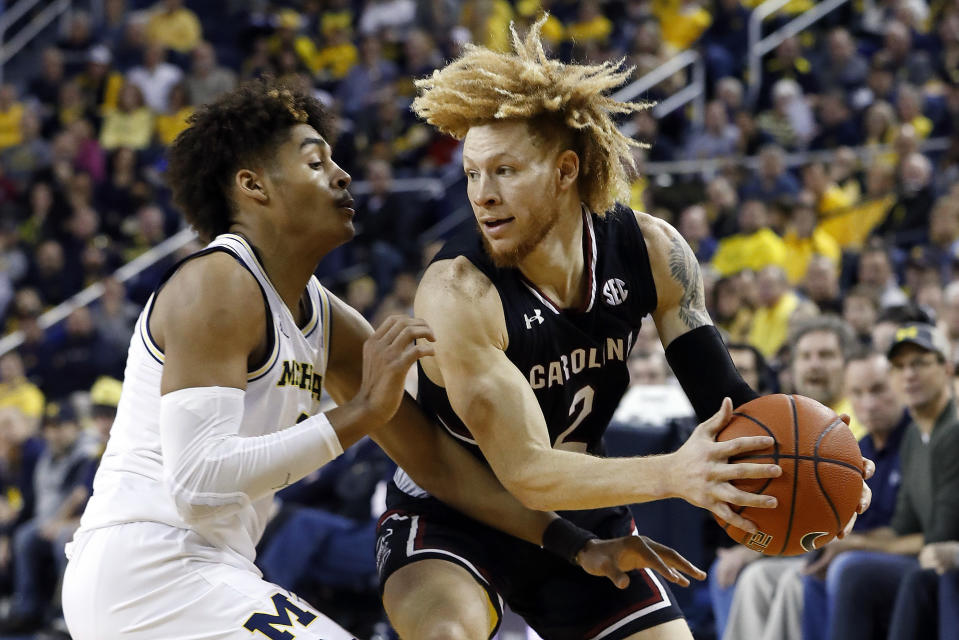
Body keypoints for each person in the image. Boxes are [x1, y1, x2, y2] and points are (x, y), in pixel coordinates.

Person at [59, 80, 701, 640]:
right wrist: (361, 412)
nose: (341, 174)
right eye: (315, 163)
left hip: (209, 571)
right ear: (253, 187)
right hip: (149, 569)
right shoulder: (218, 284)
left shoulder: (328, 319)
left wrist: (573, 544)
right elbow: (198, 487)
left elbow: (439, 467)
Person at [377, 19, 872, 640]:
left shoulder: (654, 251)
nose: (482, 195)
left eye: (505, 171)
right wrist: (675, 474)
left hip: (582, 509)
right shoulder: (457, 292)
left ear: (564, 170)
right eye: (472, 174)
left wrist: (821, 466)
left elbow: (731, 406)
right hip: (452, 510)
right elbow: (526, 471)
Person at [806, 323, 959, 640]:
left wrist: (857, 543)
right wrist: (838, 542)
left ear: (946, 368)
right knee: (828, 567)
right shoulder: (915, 437)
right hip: (930, 561)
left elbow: (935, 540)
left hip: (947, 562)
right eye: (899, 366)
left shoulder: (953, 431)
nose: (909, 375)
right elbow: (902, 529)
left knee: (854, 572)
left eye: (920, 363)